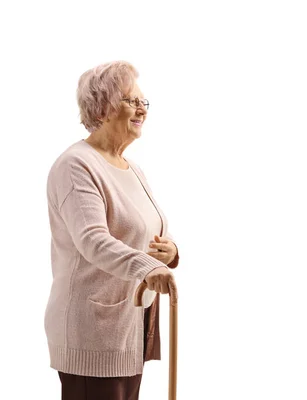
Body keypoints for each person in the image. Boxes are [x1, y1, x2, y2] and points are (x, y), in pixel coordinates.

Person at [45, 60, 180, 400]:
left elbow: (146, 229)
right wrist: (148, 267)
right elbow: (93, 240)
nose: (142, 109)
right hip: (93, 330)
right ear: (102, 107)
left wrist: (170, 253)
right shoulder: (77, 165)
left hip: (131, 324)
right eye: (131, 100)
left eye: (143, 102)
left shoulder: (130, 167)